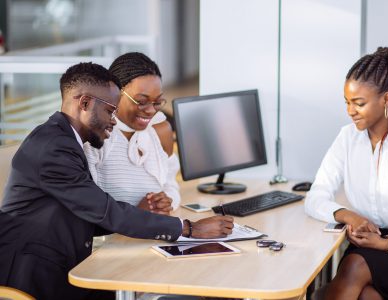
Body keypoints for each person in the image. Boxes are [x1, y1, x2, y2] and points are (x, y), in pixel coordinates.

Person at [0, 62, 234, 300]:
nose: (113, 120)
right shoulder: (54, 149)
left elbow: (86, 210)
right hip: (32, 278)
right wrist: (189, 228)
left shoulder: (65, 141)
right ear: (84, 103)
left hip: (63, 266)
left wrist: (139, 213)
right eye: (110, 111)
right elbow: (103, 209)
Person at [304, 47, 388, 299]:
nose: (350, 111)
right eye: (346, 102)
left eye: (359, 103)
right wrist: (348, 216)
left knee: (353, 268)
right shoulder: (346, 138)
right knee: (366, 295)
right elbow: (315, 197)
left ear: (386, 99)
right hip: (365, 245)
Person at [84, 52, 180, 215]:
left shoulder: (161, 130)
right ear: (114, 93)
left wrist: (167, 201)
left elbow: (170, 185)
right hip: (114, 238)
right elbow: (86, 204)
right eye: (141, 102)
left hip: (155, 231)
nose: (151, 111)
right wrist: (135, 214)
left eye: (157, 102)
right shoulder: (95, 136)